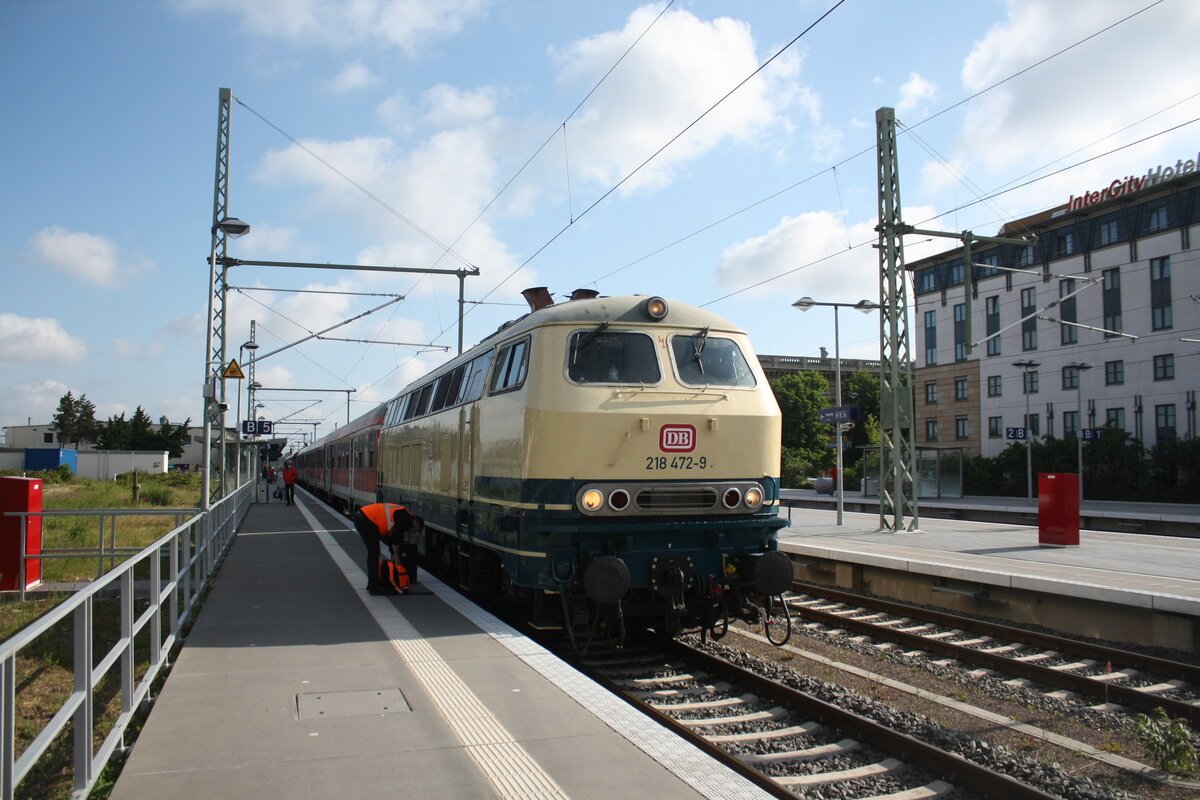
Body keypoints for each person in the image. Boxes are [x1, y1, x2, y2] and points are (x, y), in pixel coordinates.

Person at [354, 503, 424, 595]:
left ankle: (372, 584)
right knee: (374, 552)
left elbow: (390, 538)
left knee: (373, 552)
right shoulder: (406, 517)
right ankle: (373, 586)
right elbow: (396, 537)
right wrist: (396, 556)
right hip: (367, 519)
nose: (413, 532)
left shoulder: (402, 515)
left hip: (362, 517)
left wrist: (393, 551)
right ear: (415, 523)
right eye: (415, 530)